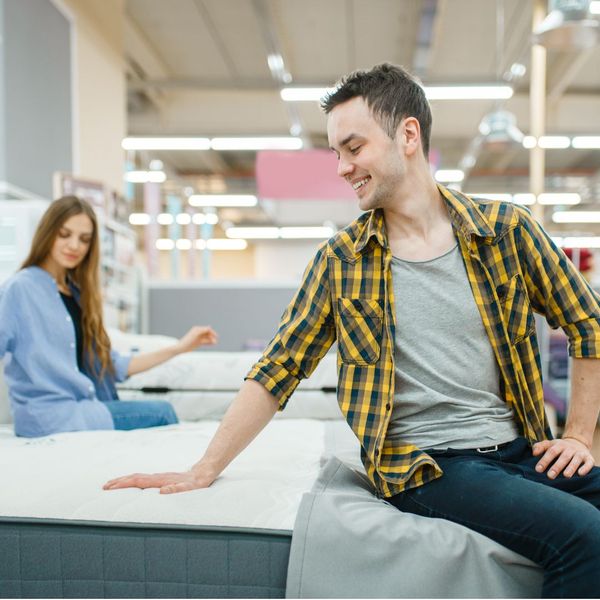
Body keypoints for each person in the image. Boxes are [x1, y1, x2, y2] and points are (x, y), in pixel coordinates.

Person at [104, 64, 600, 597]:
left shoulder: (506, 231)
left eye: (353, 147)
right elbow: (278, 370)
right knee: (585, 537)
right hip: (432, 468)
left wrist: (578, 435)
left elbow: (587, 324)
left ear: (408, 136)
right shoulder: (342, 262)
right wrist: (204, 468)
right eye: (336, 153)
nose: (342, 167)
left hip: (522, 446)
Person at [0, 195, 217, 437]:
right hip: (49, 418)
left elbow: (112, 366)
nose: (74, 246)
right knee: (162, 412)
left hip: (84, 410)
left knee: (157, 413)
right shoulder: (19, 289)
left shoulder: (76, 294)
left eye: (84, 239)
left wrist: (179, 348)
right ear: (47, 233)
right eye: (64, 234)